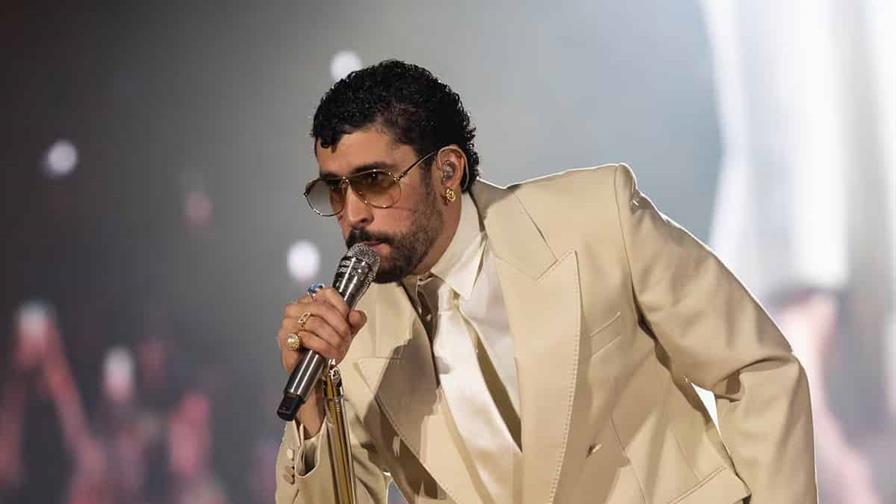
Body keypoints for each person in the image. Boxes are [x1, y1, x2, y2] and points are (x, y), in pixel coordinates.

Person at [274, 60, 817, 503]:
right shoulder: (353, 339)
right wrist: (314, 410)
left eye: (374, 181)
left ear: (447, 172)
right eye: (334, 191)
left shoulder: (594, 217)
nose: (353, 213)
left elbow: (754, 368)